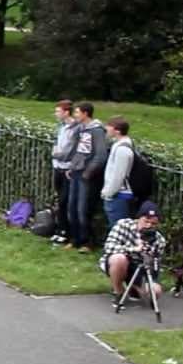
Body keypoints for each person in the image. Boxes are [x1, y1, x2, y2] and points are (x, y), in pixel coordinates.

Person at [101, 201, 165, 303]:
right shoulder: (123, 225)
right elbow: (108, 247)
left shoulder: (159, 240)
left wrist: (148, 254)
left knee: (155, 292)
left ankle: (134, 287)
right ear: (139, 218)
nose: (148, 226)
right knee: (119, 259)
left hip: (139, 268)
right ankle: (118, 291)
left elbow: (155, 267)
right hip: (118, 262)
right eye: (146, 221)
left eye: (153, 224)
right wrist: (133, 248)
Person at [67, 102, 108, 251]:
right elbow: (78, 150)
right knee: (71, 208)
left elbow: (101, 155)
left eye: (77, 113)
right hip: (76, 172)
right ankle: (75, 238)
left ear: (85, 114)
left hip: (86, 175)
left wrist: (88, 172)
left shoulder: (96, 131)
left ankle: (87, 242)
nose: (75, 115)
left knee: (82, 209)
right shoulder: (81, 129)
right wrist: (72, 166)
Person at [50, 100, 78, 245]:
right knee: (59, 200)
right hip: (57, 167)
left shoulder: (75, 129)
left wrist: (57, 155)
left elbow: (70, 151)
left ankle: (66, 232)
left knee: (65, 201)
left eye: (58, 111)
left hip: (67, 168)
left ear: (66, 112)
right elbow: (56, 143)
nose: (56, 114)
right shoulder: (60, 127)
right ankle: (60, 229)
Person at [101, 116, 136, 228]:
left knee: (118, 228)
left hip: (119, 194)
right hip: (116, 194)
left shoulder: (123, 150)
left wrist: (108, 193)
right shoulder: (118, 145)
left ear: (117, 131)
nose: (106, 128)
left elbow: (118, 175)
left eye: (109, 126)